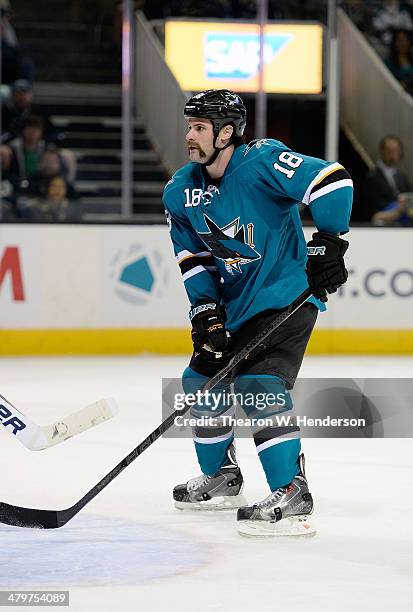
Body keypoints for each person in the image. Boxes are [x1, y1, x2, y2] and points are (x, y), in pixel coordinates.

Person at [163, 90, 353, 537]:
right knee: (200, 383)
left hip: (287, 295)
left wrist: (330, 240)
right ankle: (223, 478)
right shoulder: (180, 190)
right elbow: (194, 259)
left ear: (226, 133)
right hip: (237, 307)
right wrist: (206, 314)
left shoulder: (263, 161)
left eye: (200, 127)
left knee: (259, 385)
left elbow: (332, 179)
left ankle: (291, 491)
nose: (190, 136)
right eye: (189, 126)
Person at [361, 135, 411, 222]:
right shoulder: (371, 178)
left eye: (395, 151)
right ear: (382, 152)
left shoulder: (402, 177)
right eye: (389, 151)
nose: (393, 155)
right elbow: (373, 211)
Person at [385, 29, 413, 94]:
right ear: (394, 42)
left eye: (405, 40)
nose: (402, 43)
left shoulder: (411, 59)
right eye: (400, 40)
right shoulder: (389, 62)